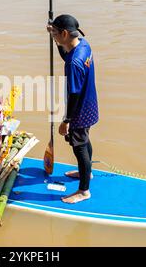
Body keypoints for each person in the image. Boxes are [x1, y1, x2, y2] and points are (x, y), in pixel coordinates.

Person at [47, 14, 99, 204]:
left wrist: (66, 121)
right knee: (84, 140)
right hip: (90, 104)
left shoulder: (73, 64)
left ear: (65, 33)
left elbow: (74, 95)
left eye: (55, 34)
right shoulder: (84, 45)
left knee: (79, 147)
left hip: (79, 110)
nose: (53, 37)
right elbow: (65, 53)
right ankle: (88, 172)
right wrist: (54, 39)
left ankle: (84, 191)